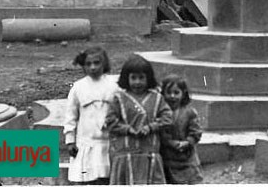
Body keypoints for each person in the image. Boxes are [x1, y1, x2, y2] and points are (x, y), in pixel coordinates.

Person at [105, 55, 172, 185]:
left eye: (141, 78)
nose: (137, 82)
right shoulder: (119, 98)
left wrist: (151, 127)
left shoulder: (157, 98)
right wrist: (127, 129)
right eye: (133, 78)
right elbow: (110, 121)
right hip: (125, 153)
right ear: (126, 78)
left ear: (148, 78)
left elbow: (168, 118)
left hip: (149, 153)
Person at [63, 47, 118, 185]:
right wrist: (70, 140)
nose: (93, 67)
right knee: (88, 176)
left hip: (109, 140)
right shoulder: (78, 87)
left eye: (97, 63)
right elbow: (71, 115)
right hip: (86, 141)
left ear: (104, 63)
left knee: (107, 176)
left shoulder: (114, 84)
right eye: (88, 64)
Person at [159, 75, 203, 184]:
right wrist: (169, 143)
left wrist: (187, 142)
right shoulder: (160, 113)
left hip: (186, 159)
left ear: (183, 94)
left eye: (176, 92)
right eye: (168, 93)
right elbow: (160, 133)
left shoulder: (189, 113)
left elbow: (196, 132)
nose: (172, 96)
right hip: (167, 159)